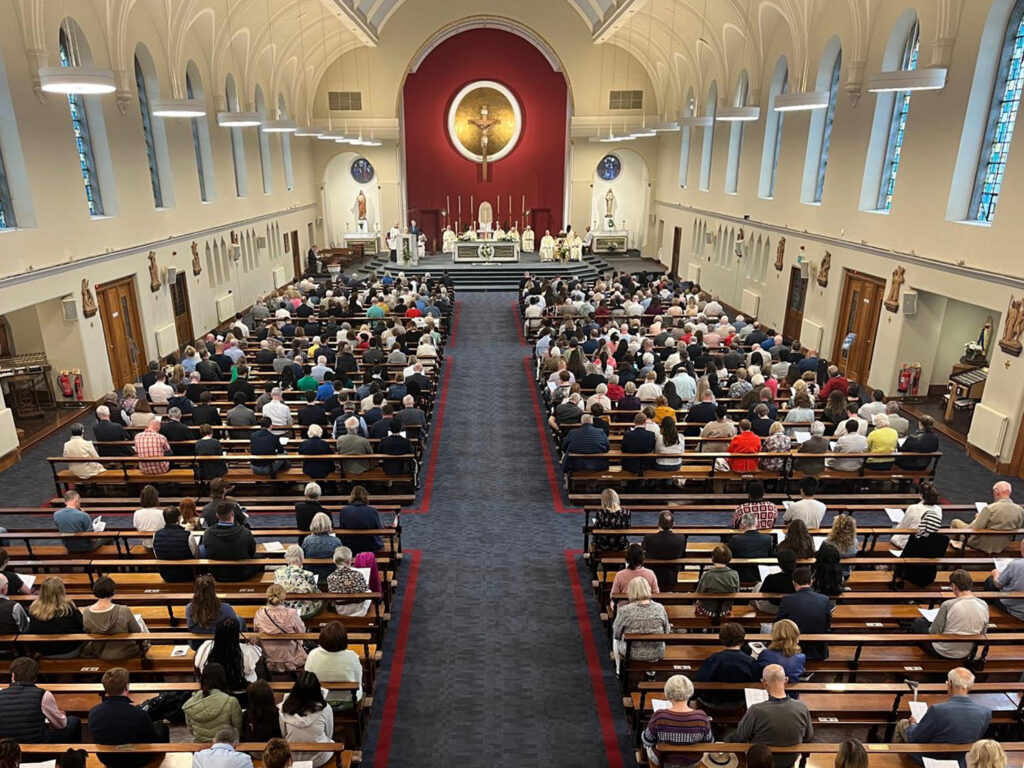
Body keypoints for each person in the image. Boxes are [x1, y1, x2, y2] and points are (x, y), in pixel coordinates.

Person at [893, 667, 991, 761]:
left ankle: (893, 760)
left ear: (950, 684)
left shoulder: (937, 710)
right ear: (969, 687)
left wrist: (913, 724)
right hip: (961, 759)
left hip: (929, 758)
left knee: (902, 723)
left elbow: (915, 738)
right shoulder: (986, 712)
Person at [730, 664, 813, 768]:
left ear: (764, 683)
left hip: (761, 763)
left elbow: (741, 736)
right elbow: (808, 736)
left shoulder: (756, 710)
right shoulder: (802, 707)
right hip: (789, 761)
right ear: (786, 680)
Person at [88, 668, 170, 768]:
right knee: (161, 727)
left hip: (107, 759)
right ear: (126, 687)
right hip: (136, 759)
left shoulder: (93, 712)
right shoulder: (138, 713)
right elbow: (151, 740)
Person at [908, 570, 989, 659]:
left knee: (919, 623)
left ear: (954, 586)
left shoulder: (948, 604)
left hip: (944, 651)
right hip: (966, 651)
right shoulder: (983, 604)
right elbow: (983, 632)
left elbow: (934, 632)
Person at [0, 656, 81, 742]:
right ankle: (71, 754)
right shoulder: (43, 695)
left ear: (13, 676)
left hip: (6, 746)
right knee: (73, 721)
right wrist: (62, 715)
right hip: (36, 743)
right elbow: (61, 725)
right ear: (35, 678)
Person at [640, 674, 713, 768]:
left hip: (664, 761)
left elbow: (647, 740)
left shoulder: (660, 716)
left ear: (668, 693)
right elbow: (709, 743)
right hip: (692, 762)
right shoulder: (701, 717)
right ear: (690, 692)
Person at [693, 622, 762, 709]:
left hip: (711, 701)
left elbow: (700, 681)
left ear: (722, 639)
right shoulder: (750, 662)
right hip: (738, 701)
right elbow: (756, 683)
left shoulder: (713, 659)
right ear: (742, 639)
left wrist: (693, 697)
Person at [611, 576, 670, 673]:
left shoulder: (625, 611)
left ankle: (618, 670)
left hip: (632, 653)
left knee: (615, 639)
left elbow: (616, 633)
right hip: (656, 651)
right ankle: (651, 669)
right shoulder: (660, 608)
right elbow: (666, 631)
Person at [81, 577, 148, 660]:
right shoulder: (123, 610)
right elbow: (137, 631)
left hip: (102, 652)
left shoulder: (86, 612)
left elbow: (88, 632)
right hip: (126, 651)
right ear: (113, 591)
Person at [278, 672, 335, 768]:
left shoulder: (285, 708)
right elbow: (329, 733)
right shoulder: (325, 709)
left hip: (292, 758)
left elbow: (283, 734)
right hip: (319, 759)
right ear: (317, 691)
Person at [951, 481, 1024, 554]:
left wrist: (977, 518)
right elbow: (1017, 528)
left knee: (955, 522)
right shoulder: (1020, 510)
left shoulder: (990, 508)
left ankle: (953, 552)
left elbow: (976, 529)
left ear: (996, 492)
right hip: (1002, 545)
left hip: (982, 544)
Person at [304, 621, 364, 708]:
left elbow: (307, 677)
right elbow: (358, 679)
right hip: (347, 700)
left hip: (319, 700)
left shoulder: (313, 654)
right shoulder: (352, 656)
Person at [777, 566, 831, 661]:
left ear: (794, 583)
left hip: (793, 648)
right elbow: (827, 624)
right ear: (811, 581)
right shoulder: (824, 599)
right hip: (818, 649)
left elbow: (779, 623)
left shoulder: (787, 600)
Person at [194, 618, 264, 691]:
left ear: (217, 632)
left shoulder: (205, 647)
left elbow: (198, 667)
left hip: (213, 689)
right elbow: (259, 671)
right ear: (237, 634)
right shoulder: (249, 651)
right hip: (240, 691)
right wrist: (256, 643)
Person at [254, 584, 308, 673]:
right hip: (291, 658)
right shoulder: (292, 614)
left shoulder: (260, 614)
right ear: (283, 597)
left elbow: (256, 632)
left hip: (269, 657)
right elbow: (302, 632)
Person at [183, 663, 243, 743]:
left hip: (200, 748)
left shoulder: (191, 703)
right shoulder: (231, 702)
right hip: (225, 747)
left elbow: (191, 729)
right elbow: (238, 728)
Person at [27, 577, 85, 658]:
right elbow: (82, 625)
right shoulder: (68, 608)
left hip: (45, 651)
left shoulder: (33, 609)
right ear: (62, 591)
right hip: (69, 650)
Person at [203, 501, 260, 581]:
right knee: (259, 557)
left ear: (217, 515)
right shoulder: (245, 532)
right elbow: (251, 552)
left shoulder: (207, 533)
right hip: (241, 574)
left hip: (217, 574)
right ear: (232, 513)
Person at [895, 506, 949, 589]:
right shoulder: (944, 540)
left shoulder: (916, 538)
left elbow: (905, 556)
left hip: (911, 575)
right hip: (929, 576)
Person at [187, 575, 245, 649]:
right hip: (222, 643)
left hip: (198, 644)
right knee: (240, 620)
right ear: (213, 589)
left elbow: (191, 627)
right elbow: (234, 625)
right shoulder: (226, 608)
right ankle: (243, 644)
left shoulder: (189, 608)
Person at [891, 481, 943, 550]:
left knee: (895, 530)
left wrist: (897, 526)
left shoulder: (913, 508)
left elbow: (903, 528)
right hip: (928, 542)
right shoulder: (938, 509)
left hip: (911, 542)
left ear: (921, 495)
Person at [273, 545, 322, 618]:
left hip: (284, 609)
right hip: (304, 611)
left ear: (287, 559)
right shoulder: (308, 574)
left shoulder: (278, 573)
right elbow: (316, 594)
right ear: (302, 559)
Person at [643, 511, 686, 590]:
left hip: (653, 575)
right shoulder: (681, 539)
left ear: (658, 524)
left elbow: (645, 554)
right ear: (673, 524)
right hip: (672, 575)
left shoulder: (648, 538)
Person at [152, 506, 199, 581]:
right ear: (179, 518)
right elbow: (196, 555)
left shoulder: (156, 534)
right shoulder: (187, 535)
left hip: (166, 575)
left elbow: (157, 555)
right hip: (186, 574)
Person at [694, 544, 740, 618]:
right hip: (725, 610)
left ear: (712, 558)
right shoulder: (734, 574)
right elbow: (736, 592)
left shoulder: (707, 575)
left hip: (708, 610)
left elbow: (698, 594)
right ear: (729, 558)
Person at [728, 512, 775, 583]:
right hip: (761, 574)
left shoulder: (735, 539)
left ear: (743, 525)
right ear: (757, 524)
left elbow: (730, 557)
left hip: (740, 574)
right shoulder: (767, 539)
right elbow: (770, 557)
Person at [757, 619, 806, 684]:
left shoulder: (765, 654)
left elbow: (757, 674)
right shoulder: (801, 657)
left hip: (769, 691)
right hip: (791, 693)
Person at [338, 486, 384, 554]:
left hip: (350, 544)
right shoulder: (372, 511)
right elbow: (378, 529)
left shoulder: (344, 510)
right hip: (370, 545)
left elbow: (342, 528)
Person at [753, 549, 798, 614]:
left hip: (774, 606)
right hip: (792, 606)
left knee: (758, 586)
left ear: (779, 565)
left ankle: (754, 612)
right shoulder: (799, 578)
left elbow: (761, 596)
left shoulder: (771, 578)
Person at [302, 513, 342, 580]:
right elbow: (341, 559)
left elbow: (303, 556)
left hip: (312, 574)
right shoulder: (336, 541)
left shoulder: (307, 540)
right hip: (330, 574)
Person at [593, 488, 631, 553]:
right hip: (621, 545)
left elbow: (596, 529)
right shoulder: (626, 512)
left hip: (604, 545)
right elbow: (628, 527)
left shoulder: (600, 513)